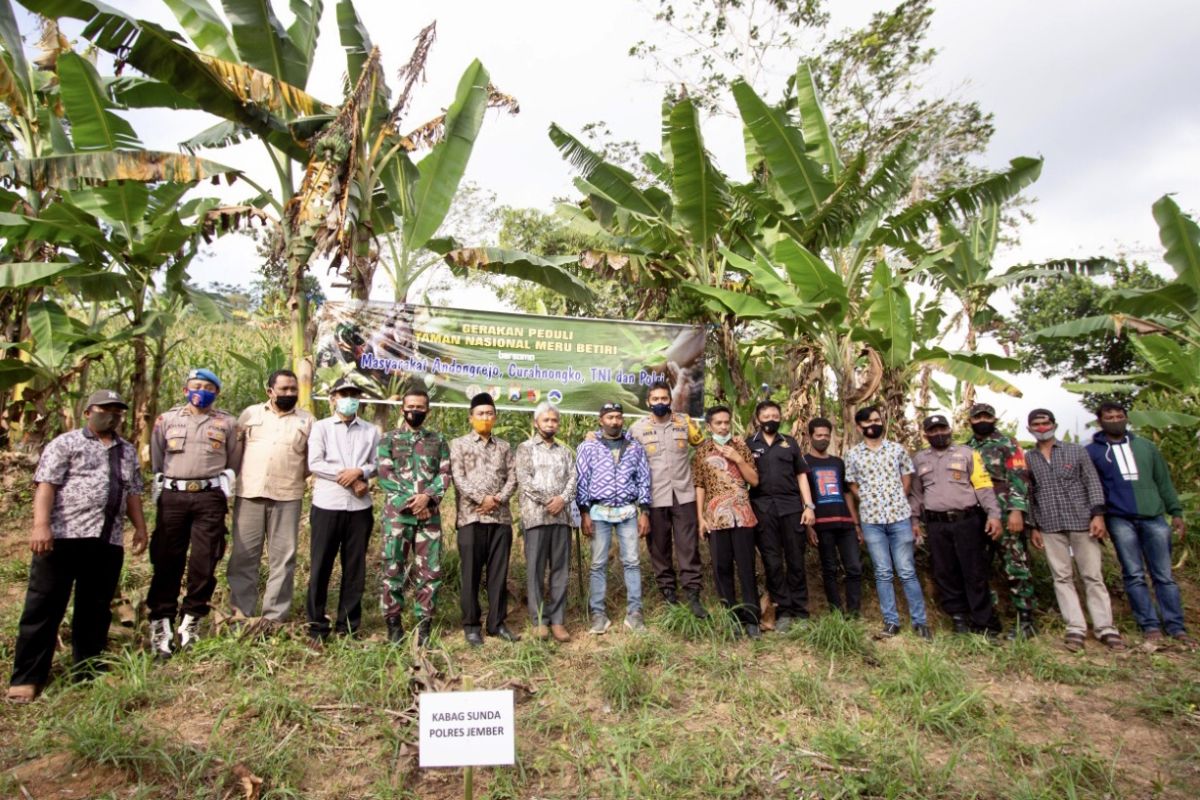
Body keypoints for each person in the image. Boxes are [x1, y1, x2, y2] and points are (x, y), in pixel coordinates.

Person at [7, 391, 146, 703]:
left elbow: (133, 492)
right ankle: (26, 679)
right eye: (104, 410)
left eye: (117, 412)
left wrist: (140, 527)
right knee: (43, 607)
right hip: (63, 536)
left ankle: (86, 672)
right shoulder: (65, 443)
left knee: (95, 610)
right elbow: (46, 485)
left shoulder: (127, 451)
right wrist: (41, 525)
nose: (111, 416)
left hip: (107, 539)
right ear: (88, 412)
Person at [147, 369, 242, 658]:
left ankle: (191, 622)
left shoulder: (227, 423)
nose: (202, 391)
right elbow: (156, 459)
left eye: (208, 387)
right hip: (173, 497)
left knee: (205, 560)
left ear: (217, 392)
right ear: (185, 389)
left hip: (209, 497)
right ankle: (161, 624)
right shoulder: (166, 420)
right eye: (196, 386)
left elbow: (233, 461)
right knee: (166, 560)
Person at [1085, 401, 1195, 648]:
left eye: (1119, 415)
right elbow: (1093, 488)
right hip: (1119, 517)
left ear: (1126, 417)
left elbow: (1163, 481)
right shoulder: (1092, 452)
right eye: (1109, 417)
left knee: (1164, 575)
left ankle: (1176, 626)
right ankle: (1149, 625)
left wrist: (1175, 511)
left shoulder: (1146, 447)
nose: (1115, 420)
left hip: (1154, 516)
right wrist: (1098, 515)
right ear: (1100, 421)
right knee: (1133, 574)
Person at [1024, 408, 1126, 652]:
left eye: (1045, 423)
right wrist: (1033, 526)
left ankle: (1105, 627)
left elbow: (1092, 482)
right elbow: (1029, 494)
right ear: (1029, 429)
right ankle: (1076, 627)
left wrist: (1098, 515)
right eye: (1036, 425)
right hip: (1049, 523)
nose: (1041, 428)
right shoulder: (1028, 458)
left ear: (1054, 424)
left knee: (1092, 575)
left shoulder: (1075, 450)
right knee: (1061, 577)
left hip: (1081, 520)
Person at [226, 369, 312, 624]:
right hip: (250, 494)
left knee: (283, 559)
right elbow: (237, 451)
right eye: (284, 389)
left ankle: (274, 618)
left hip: (287, 496)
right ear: (270, 391)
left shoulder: (307, 421)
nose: (289, 394)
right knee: (243, 557)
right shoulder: (250, 414)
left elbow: (309, 461)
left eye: (293, 389)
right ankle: (241, 615)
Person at [909, 414, 1004, 637]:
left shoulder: (967, 454)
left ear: (949, 429)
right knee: (945, 572)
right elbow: (916, 494)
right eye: (933, 431)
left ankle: (984, 621)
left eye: (942, 429)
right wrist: (914, 521)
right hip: (936, 525)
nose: (938, 434)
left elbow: (983, 486)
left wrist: (994, 515)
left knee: (974, 571)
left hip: (967, 521)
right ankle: (958, 618)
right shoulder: (919, 460)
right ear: (926, 434)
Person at [844, 406, 931, 640]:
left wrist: (899, 494)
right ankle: (891, 622)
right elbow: (851, 483)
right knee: (883, 572)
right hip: (871, 520)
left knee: (906, 571)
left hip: (899, 517)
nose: (874, 424)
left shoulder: (896, 449)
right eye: (868, 421)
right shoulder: (853, 455)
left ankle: (920, 622)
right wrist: (866, 497)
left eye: (876, 419)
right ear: (860, 426)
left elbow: (907, 475)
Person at [306, 377, 379, 642]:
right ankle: (316, 625)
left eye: (353, 394)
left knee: (354, 568)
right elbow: (315, 463)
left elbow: (377, 463)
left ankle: (348, 626)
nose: (349, 398)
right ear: (333, 398)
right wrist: (346, 476)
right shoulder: (321, 428)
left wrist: (361, 471)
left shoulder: (371, 431)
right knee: (321, 565)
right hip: (328, 504)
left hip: (359, 508)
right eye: (344, 393)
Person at [377, 387, 451, 647]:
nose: (415, 411)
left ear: (427, 410)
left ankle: (424, 625)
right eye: (411, 407)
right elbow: (385, 475)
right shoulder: (388, 439)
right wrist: (410, 502)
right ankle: (394, 624)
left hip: (428, 517)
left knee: (430, 572)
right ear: (403, 409)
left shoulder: (438, 440)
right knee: (393, 568)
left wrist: (427, 497)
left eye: (420, 407)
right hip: (398, 517)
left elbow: (444, 474)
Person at [629, 382, 707, 617]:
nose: (660, 403)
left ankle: (693, 595)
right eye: (655, 399)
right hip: (654, 498)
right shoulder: (637, 429)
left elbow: (703, 448)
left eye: (664, 398)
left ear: (670, 400)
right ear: (648, 402)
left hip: (684, 495)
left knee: (688, 547)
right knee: (659, 549)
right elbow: (626, 460)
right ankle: (668, 594)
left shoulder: (685, 423)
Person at [576, 401, 652, 634]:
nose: (614, 421)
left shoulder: (634, 447)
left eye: (618, 416)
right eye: (609, 417)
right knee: (598, 564)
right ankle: (598, 615)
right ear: (601, 420)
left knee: (632, 562)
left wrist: (645, 511)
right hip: (599, 512)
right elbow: (582, 480)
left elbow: (644, 479)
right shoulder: (588, 447)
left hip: (628, 512)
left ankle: (635, 613)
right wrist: (584, 512)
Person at [450, 392, 519, 646]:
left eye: (489, 413)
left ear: (495, 416)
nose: (485, 418)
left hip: (500, 519)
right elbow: (459, 478)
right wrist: (482, 499)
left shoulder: (505, 447)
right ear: (471, 417)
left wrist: (498, 499)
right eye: (480, 413)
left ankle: (497, 623)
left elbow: (513, 477)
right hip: (471, 518)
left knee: (498, 575)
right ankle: (471, 626)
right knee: (470, 574)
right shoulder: (458, 445)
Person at [966, 402, 1038, 639]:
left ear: (994, 419)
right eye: (978, 417)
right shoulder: (966, 448)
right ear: (971, 421)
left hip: (1006, 509)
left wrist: (1017, 510)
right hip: (977, 513)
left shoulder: (1008, 444)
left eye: (987, 416)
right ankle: (989, 619)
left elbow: (1020, 477)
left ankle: (1026, 619)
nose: (982, 420)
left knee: (1016, 565)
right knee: (981, 568)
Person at [747, 401, 817, 633]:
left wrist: (808, 506)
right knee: (773, 562)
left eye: (775, 415)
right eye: (766, 415)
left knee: (796, 559)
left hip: (791, 508)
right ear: (758, 419)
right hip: (762, 509)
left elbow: (802, 476)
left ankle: (800, 608)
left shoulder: (790, 443)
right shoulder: (748, 444)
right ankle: (783, 609)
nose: (771, 419)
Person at [692, 406, 761, 637]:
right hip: (716, 519)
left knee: (746, 569)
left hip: (743, 516)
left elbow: (755, 480)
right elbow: (699, 485)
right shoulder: (702, 451)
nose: (723, 426)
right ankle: (731, 617)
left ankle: (752, 619)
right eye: (718, 423)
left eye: (726, 422)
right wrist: (700, 517)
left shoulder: (741, 446)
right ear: (709, 426)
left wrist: (739, 459)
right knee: (722, 569)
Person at [515, 402, 578, 642]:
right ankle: (539, 619)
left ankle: (558, 621)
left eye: (554, 420)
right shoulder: (525, 448)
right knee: (535, 571)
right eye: (546, 420)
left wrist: (562, 499)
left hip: (561, 518)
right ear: (536, 422)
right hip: (536, 518)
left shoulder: (564, 452)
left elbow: (573, 478)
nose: (551, 424)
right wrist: (548, 501)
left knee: (560, 571)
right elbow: (525, 480)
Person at [801, 418, 863, 617]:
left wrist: (856, 524)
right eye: (818, 435)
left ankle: (853, 613)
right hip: (821, 524)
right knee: (830, 569)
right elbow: (802, 495)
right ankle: (836, 611)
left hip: (845, 524)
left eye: (826, 435)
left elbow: (846, 493)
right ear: (810, 437)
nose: (823, 439)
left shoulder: (838, 462)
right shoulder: (803, 463)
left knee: (854, 567)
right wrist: (808, 528)